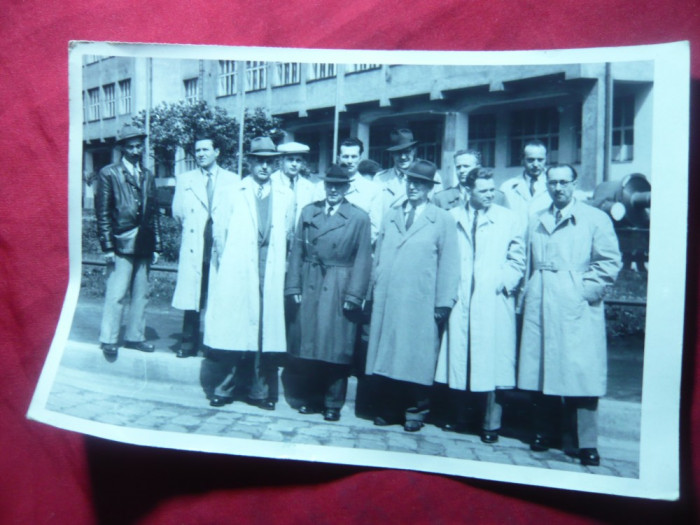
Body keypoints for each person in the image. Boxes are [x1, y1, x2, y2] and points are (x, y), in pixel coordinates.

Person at [518, 164, 622, 466]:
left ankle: (585, 442)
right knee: (542, 369)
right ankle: (544, 432)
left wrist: (586, 291)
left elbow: (608, 262)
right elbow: (526, 260)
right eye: (553, 183)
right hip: (540, 300)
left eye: (564, 182)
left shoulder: (595, 218)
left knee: (581, 372)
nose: (558, 188)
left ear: (574, 184)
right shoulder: (537, 219)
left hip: (575, 302)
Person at [365, 159, 459, 432]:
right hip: (389, 297)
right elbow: (379, 255)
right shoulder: (391, 215)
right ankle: (389, 409)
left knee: (417, 357)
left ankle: (416, 412)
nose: (414, 187)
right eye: (411, 182)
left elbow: (450, 264)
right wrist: (374, 289)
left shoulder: (442, 219)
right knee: (389, 355)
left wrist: (443, 302)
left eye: (421, 183)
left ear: (430, 188)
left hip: (421, 299)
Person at [434, 168, 526, 443]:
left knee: (491, 360)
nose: (490, 195)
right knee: (460, 356)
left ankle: (490, 424)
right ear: (468, 191)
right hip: (462, 297)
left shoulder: (508, 219)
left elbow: (518, 258)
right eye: (483, 190)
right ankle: (461, 417)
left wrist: (503, 281)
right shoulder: (452, 218)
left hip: (493, 298)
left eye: (492, 190)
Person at [203, 136, 294, 410]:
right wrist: (228, 266)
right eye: (260, 161)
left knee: (263, 332)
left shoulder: (285, 195)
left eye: (270, 162)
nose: (265, 167)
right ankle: (225, 387)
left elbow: (287, 233)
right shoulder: (232, 191)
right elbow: (219, 235)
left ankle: (261, 391)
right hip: (238, 268)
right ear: (251, 162)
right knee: (235, 329)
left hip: (270, 269)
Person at [284, 164, 372, 422]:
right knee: (310, 344)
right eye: (329, 185)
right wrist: (293, 285)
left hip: (339, 284)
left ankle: (333, 403)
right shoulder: (308, 212)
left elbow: (363, 259)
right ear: (324, 186)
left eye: (339, 185)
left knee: (336, 346)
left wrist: (354, 294)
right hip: (311, 281)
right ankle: (311, 399)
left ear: (347, 188)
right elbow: (296, 253)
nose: (333, 190)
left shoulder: (358, 218)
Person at [95, 124, 161, 359]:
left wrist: (158, 245)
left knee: (141, 294)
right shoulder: (108, 174)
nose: (135, 150)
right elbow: (102, 213)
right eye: (130, 146)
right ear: (122, 148)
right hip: (120, 241)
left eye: (138, 146)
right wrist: (108, 247)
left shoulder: (147, 175)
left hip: (144, 242)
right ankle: (109, 339)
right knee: (117, 292)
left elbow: (153, 211)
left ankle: (136, 336)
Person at [171, 136, 240, 358]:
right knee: (193, 295)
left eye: (205, 149)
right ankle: (188, 342)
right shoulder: (185, 180)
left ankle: (214, 344)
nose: (200, 154)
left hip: (220, 245)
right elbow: (178, 213)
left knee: (218, 296)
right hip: (195, 245)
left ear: (217, 152)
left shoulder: (233, 179)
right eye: (197, 150)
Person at [374, 128, 442, 215]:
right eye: (398, 153)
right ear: (392, 154)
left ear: (414, 151)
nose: (403, 157)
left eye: (407, 152)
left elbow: (437, 208)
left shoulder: (431, 176)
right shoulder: (380, 178)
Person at [336, 137, 382, 243]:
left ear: (360, 158)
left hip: (356, 251)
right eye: (346, 156)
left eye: (354, 157)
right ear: (339, 158)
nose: (350, 161)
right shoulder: (322, 187)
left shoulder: (373, 189)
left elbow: (375, 227)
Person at [271, 141, 325, 229]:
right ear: (282, 161)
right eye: (290, 159)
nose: (294, 164)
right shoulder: (271, 182)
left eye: (298, 160)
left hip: (299, 236)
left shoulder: (309, 187)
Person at [433, 149, 506, 210]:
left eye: (466, 166)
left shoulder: (497, 197)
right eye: (458, 167)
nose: (461, 171)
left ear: (478, 167)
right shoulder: (441, 198)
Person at [499, 139, 551, 221]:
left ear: (546, 159)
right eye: (530, 160)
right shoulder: (507, 187)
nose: (535, 164)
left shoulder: (554, 185)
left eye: (540, 160)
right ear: (522, 159)